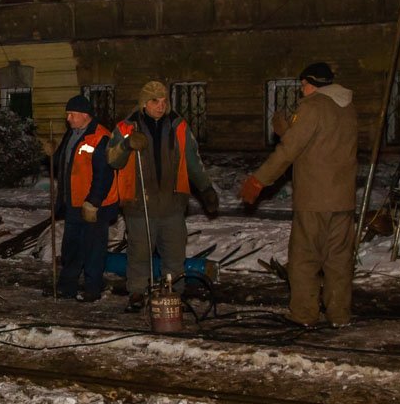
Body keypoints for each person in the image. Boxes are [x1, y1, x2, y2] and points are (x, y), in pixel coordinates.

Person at [239, 61, 359, 328]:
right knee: (338, 260)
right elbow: (319, 141)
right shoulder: (347, 107)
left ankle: (304, 314)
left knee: (304, 258)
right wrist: (289, 130)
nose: (301, 90)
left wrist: (259, 181)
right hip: (343, 198)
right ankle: (339, 315)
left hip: (314, 199)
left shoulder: (313, 107)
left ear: (313, 83)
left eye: (303, 85)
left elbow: (289, 151)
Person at [107, 80, 219, 312]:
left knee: (174, 253)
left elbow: (192, 160)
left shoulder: (178, 126)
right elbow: (112, 159)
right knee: (139, 253)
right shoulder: (126, 128)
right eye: (155, 101)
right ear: (144, 104)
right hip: (139, 204)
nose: (161, 105)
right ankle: (137, 292)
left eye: (164, 100)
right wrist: (127, 145)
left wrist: (206, 188)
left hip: (172, 203)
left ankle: (173, 293)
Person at [49, 94, 118, 302]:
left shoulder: (101, 137)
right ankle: (67, 286)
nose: (68, 118)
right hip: (74, 203)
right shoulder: (72, 135)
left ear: (85, 116)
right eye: (68, 114)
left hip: (94, 206)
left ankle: (92, 288)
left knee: (93, 249)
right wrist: (52, 155)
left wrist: (93, 201)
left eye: (72, 114)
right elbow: (66, 164)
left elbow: (104, 174)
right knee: (71, 247)